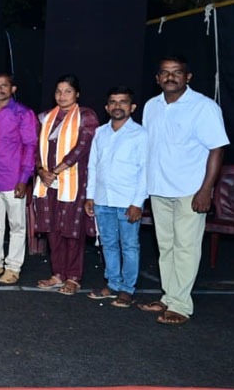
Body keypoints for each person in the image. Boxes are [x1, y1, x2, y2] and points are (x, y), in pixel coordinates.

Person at [138, 55, 228, 325]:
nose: (170, 77)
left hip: (190, 189)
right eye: (165, 72)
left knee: (186, 247)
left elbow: (217, 149)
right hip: (158, 188)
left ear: (188, 77)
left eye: (177, 72)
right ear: (157, 79)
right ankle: (169, 296)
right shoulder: (151, 106)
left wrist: (206, 190)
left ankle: (180, 305)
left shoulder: (203, 107)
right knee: (166, 246)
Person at [33, 75, 99, 295]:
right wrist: (42, 171)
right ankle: (58, 274)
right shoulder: (46, 117)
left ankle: (73, 277)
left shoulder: (86, 116)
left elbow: (81, 148)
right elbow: (36, 149)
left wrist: (55, 171)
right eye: (58, 91)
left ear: (77, 94)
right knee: (53, 230)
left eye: (68, 91)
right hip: (48, 182)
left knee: (72, 230)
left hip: (74, 182)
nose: (62, 96)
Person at [84, 86, 148, 308]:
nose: (117, 106)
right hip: (103, 199)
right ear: (107, 107)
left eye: (123, 102)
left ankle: (127, 289)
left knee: (129, 246)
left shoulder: (141, 134)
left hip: (127, 201)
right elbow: (93, 166)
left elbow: (145, 171)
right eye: (113, 102)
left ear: (132, 107)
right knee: (108, 244)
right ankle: (112, 284)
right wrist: (90, 196)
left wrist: (137, 203)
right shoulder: (100, 133)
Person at [0, 72, 37, 284]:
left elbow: (30, 147)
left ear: (13, 89)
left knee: (17, 225)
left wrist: (24, 178)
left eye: (4, 85)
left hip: (13, 179)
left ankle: (13, 267)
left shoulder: (23, 113)